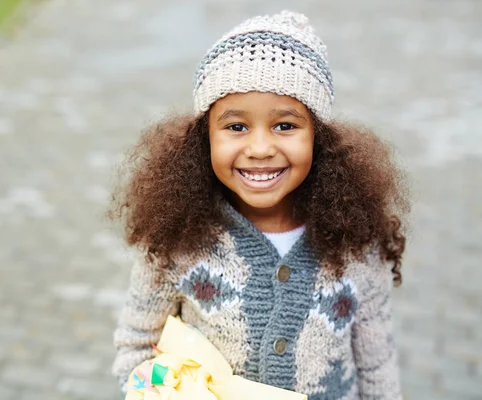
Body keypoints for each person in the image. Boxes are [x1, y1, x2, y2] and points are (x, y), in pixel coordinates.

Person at [109, 9, 410, 400]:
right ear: (205, 138)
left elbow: (377, 366)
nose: (261, 148)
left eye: (285, 125)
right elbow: (135, 349)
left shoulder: (355, 242)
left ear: (319, 137)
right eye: (236, 126)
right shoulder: (176, 240)